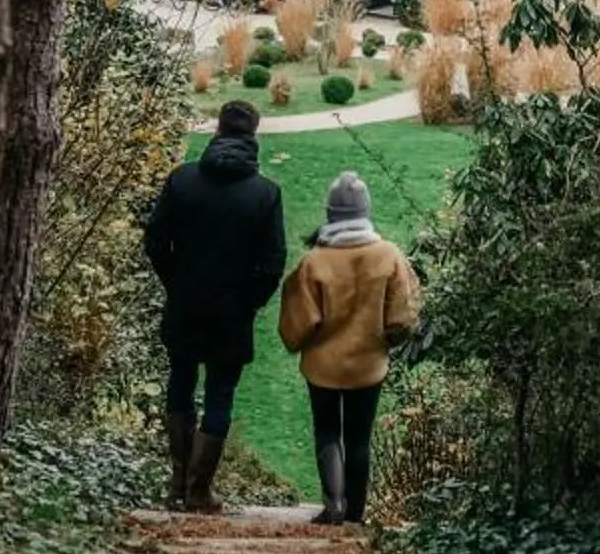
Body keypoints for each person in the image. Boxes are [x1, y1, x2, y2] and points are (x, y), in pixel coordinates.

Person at [141, 100, 285, 512]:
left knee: (180, 383)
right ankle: (199, 489)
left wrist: (176, 282)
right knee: (220, 394)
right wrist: (250, 301)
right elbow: (273, 262)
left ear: (218, 131)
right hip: (232, 313)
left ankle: (177, 483)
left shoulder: (182, 180)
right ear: (253, 135)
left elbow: (155, 241)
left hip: (185, 303)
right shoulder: (265, 194)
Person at [277, 171, 420, 526]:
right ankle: (356, 513)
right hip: (368, 365)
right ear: (365, 211)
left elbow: (297, 322)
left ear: (331, 213)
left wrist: (303, 341)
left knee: (327, 431)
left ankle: (333, 505)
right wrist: (386, 341)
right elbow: (403, 316)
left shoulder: (314, 261)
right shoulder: (388, 255)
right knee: (359, 437)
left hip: (322, 366)